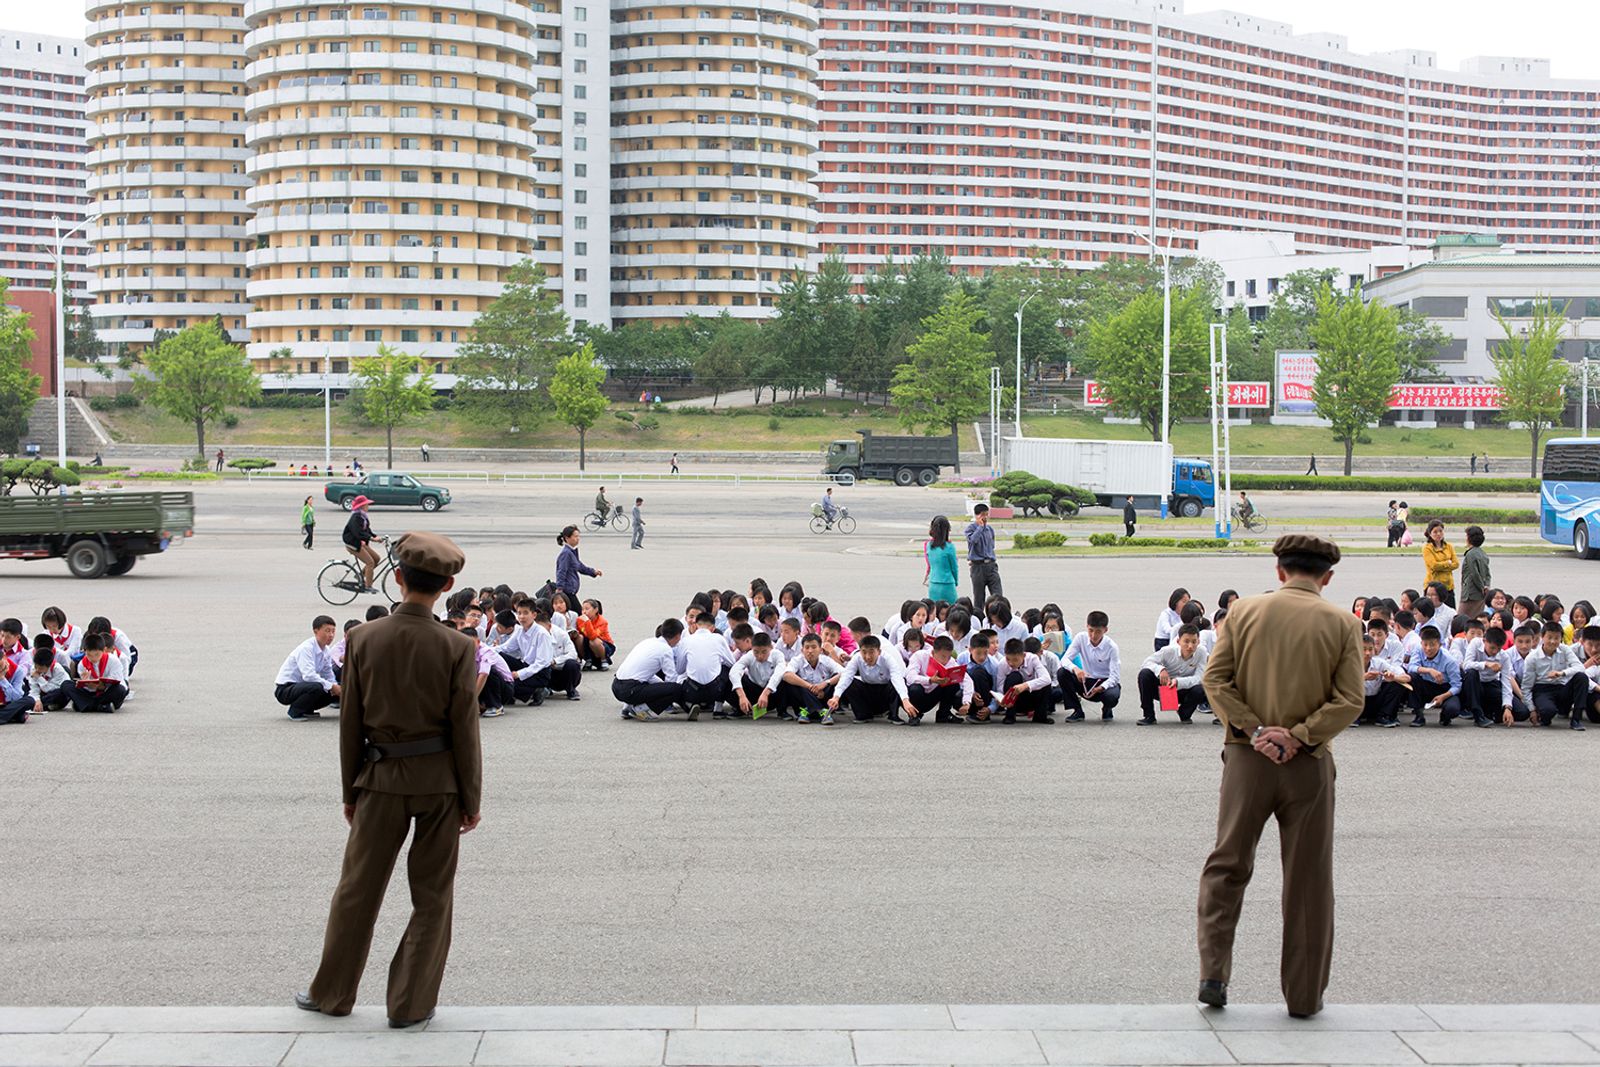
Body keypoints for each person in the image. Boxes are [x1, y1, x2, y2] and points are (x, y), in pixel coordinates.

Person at [295, 531, 478, 1030]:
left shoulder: (363, 639)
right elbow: (465, 727)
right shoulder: (458, 646)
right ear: (448, 585)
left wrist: (350, 790)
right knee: (433, 895)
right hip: (440, 782)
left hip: (378, 779)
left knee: (357, 890)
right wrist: (471, 797)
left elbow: (349, 721)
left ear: (396, 577)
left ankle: (332, 993)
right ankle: (410, 1003)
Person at [1197, 533, 1363, 1019]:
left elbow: (1215, 679)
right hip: (1308, 764)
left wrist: (1254, 729)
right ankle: (1305, 996)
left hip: (1248, 759)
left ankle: (1213, 974)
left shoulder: (1244, 612)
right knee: (1308, 879)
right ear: (1327, 577)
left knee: (1227, 864)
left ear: (1279, 571)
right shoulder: (1343, 623)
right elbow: (1351, 701)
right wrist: (1298, 735)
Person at [830, 635, 917, 723]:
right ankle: (863, 714)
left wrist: (905, 700)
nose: (868, 657)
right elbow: (846, 676)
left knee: (899, 680)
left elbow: (897, 679)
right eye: (864, 652)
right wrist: (836, 697)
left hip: (885, 693)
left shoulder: (888, 659)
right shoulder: (856, 658)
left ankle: (893, 715)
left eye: (871, 652)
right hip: (867, 691)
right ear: (860, 651)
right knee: (850, 681)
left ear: (879, 652)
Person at [612, 619, 686, 720]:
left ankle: (628, 707)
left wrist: (660, 685)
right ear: (678, 636)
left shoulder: (648, 642)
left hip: (616, 686)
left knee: (648, 682)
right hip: (630, 689)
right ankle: (641, 709)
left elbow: (645, 673)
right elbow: (672, 678)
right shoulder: (665, 650)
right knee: (676, 689)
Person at [274, 615, 342, 721]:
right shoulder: (306, 649)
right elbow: (309, 676)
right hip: (286, 689)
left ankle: (307, 709)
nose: (331, 635)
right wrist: (331, 686)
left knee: (333, 690)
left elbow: (328, 673)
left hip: (303, 687)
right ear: (316, 631)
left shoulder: (327, 650)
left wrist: (335, 687)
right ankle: (295, 711)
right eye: (327, 631)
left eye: (333, 631)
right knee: (317, 687)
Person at [1137, 624, 1209, 724]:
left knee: (1202, 688)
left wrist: (1178, 682)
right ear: (1178, 641)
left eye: (1194, 642)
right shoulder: (1168, 651)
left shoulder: (1202, 652)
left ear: (1198, 641)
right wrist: (1161, 670)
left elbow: (1199, 677)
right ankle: (1149, 715)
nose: (1190, 646)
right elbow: (1146, 662)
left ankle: (1184, 713)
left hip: (1184, 690)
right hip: (1165, 688)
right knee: (1145, 674)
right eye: (1186, 641)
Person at [1524, 621, 1588, 730]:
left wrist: (1562, 673)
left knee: (1581, 677)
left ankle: (1576, 719)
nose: (1553, 641)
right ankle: (1544, 716)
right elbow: (1526, 687)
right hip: (1542, 689)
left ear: (1561, 639)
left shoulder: (1565, 650)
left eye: (1557, 638)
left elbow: (1580, 667)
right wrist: (1532, 710)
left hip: (1561, 687)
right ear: (1542, 637)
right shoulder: (1532, 657)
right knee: (1548, 711)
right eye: (1549, 637)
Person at [1060, 611, 1121, 721]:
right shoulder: (1080, 638)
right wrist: (1075, 669)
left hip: (1104, 682)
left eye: (1098, 632)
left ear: (1105, 630)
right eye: (1091, 630)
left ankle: (1107, 708)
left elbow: (1115, 676)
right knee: (1062, 673)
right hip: (1086, 680)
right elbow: (1065, 659)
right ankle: (1077, 710)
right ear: (1087, 626)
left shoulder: (1112, 647)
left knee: (1111, 695)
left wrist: (1102, 687)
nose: (1093, 635)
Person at [1403, 625, 1463, 726]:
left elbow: (1457, 685)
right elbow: (1411, 667)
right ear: (1421, 643)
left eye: (1432, 645)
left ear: (1440, 645)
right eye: (1425, 644)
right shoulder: (1418, 649)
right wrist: (1429, 670)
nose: (1428, 648)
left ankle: (1445, 716)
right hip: (1425, 686)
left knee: (1453, 709)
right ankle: (1418, 715)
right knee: (1413, 676)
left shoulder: (1449, 660)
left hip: (1444, 688)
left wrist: (1443, 697)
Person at [63, 632, 129, 713]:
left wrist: (102, 687)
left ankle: (85, 705)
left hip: (106, 693)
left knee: (120, 689)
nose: (93, 658)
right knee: (66, 684)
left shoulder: (113, 661)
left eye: (97, 654)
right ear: (84, 652)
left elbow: (116, 680)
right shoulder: (82, 664)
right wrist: (84, 682)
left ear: (104, 650)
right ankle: (101, 707)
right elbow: (85, 688)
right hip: (91, 693)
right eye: (89, 655)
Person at [964, 503, 1001, 606]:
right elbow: (973, 540)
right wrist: (980, 527)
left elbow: (992, 545)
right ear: (976, 515)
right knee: (979, 598)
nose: (985, 517)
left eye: (986, 514)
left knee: (998, 596)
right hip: (977, 566)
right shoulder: (970, 529)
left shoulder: (990, 529)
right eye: (982, 515)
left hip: (991, 565)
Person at [341, 496, 380, 591]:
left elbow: (367, 530)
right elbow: (358, 533)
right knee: (370, 562)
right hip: (353, 544)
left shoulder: (363, 516)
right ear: (361, 506)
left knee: (376, 558)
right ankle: (368, 586)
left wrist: (375, 536)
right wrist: (371, 538)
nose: (368, 506)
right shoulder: (356, 517)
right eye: (366, 504)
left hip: (360, 542)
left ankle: (360, 575)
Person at [554, 525, 601, 597]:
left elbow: (580, 567)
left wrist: (593, 572)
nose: (578, 539)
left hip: (571, 590)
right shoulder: (566, 553)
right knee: (578, 608)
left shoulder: (571, 552)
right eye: (575, 536)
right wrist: (560, 589)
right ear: (567, 538)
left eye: (578, 536)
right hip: (567, 591)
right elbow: (561, 571)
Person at [1421, 520, 1459, 606]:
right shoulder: (1427, 548)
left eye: (1440, 531)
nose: (1438, 534)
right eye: (1435, 532)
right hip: (1433, 586)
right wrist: (1447, 563)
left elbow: (1456, 564)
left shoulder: (1449, 546)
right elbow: (1433, 565)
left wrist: (1442, 565)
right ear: (1430, 533)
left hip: (1448, 586)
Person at [924, 515, 960, 603]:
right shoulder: (950, 547)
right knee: (951, 610)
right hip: (947, 583)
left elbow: (929, 565)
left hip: (933, 583)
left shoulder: (928, 545)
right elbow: (954, 567)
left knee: (934, 611)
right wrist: (955, 581)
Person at [1458, 525, 1490, 619]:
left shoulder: (1470, 554)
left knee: (1462, 619)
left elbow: (1474, 573)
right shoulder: (1483, 554)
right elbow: (1487, 574)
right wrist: (1486, 586)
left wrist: (1481, 587)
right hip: (1481, 594)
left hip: (1470, 593)